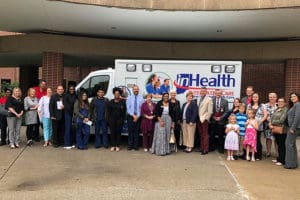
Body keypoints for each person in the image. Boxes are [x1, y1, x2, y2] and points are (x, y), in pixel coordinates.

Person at [106, 87, 127, 152]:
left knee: (118, 132)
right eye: (115, 94)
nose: (117, 95)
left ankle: (117, 145)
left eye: (118, 94)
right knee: (112, 133)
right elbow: (108, 112)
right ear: (114, 94)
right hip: (112, 120)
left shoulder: (122, 102)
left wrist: (123, 119)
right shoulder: (110, 102)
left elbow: (124, 111)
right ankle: (113, 145)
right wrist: (109, 120)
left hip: (120, 120)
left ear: (119, 94)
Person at [269, 97, 287, 166]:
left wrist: (272, 122)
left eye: (282, 101)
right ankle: (278, 158)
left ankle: (282, 160)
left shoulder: (285, 110)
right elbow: (272, 118)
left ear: (284, 103)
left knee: (282, 145)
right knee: (278, 145)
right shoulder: (277, 109)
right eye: (279, 101)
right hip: (275, 129)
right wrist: (270, 123)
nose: (280, 102)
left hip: (282, 130)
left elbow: (281, 120)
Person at [210, 89, 229, 153]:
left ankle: (220, 148)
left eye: (219, 93)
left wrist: (220, 118)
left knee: (221, 135)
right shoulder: (211, 100)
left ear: (221, 94)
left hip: (221, 121)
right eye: (217, 93)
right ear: (214, 93)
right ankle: (212, 147)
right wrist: (213, 117)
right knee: (212, 134)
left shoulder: (225, 101)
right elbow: (209, 110)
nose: (218, 94)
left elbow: (226, 111)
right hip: (213, 120)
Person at [284, 92, 300, 169]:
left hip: (294, 128)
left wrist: (292, 128)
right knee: (292, 145)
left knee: (288, 144)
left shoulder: (298, 105)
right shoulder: (294, 105)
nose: (292, 98)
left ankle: (289, 164)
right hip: (292, 127)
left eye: (294, 96)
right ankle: (293, 164)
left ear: (298, 97)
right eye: (291, 97)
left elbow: (297, 117)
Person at [126, 85, 144, 150]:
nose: (136, 90)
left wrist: (137, 116)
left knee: (137, 132)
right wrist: (133, 116)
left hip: (139, 117)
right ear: (132, 90)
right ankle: (130, 145)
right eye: (135, 89)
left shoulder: (141, 98)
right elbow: (128, 108)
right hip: (131, 117)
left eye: (137, 89)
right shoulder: (129, 98)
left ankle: (136, 146)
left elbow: (141, 108)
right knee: (130, 132)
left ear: (138, 90)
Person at [196, 87, 213, 155]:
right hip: (198, 119)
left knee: (205, 134)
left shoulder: (209, 99)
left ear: (206, 92)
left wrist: (206, 118)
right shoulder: (198, 98)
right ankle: (202, 148)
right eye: (201, 91)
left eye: (204, 91)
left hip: (204, 119)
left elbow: (210, 111)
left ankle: (205, 149)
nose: (202, 92)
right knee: (201, 134)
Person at [251, 93, 267, 160]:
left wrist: (260, 122)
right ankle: (252, 154)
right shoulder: (249, 105)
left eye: (256, 97)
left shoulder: (262, 105)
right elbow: (247, 114)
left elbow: (265, 115)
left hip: (258, 126)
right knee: (251, 140)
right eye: (254, 97)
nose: (255, 98)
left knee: (257, 140)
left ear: (258, 98)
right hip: (251, 126)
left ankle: (258, 155)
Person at [264, 92, 278, 157]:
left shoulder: (278, 105)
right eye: (271, 97)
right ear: (269, 98)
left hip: (277, 125)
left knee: (276, 139)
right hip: (267, 125)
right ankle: (268, 152)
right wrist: (270, 123)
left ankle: (277, 152)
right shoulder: (265, 105)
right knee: (268, 138)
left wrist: (274, 123)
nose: (272, 98)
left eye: (273, 97)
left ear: (276, 98)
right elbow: (265, 115)